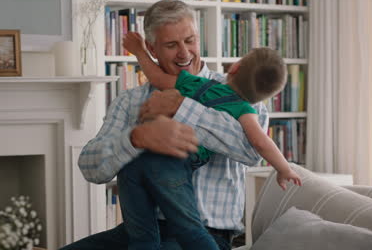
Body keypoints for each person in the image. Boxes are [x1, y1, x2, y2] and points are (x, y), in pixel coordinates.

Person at [61, 0, 269, 250]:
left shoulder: (237, 90)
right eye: (171, 45)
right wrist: (135, 138)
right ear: (151, 48)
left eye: (190, 40)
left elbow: (251, 151)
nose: (184, 53)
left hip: (205, 236)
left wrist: (182, 107)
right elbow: (90, 168)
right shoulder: (130, 101)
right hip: (138, 232)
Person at [120, 33, 302, 248]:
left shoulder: (200, 84)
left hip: (146, 156)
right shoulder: (245, 110)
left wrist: (140, 51)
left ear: (233, 68)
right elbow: (260, 143)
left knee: (134, 196)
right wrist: (284, 168)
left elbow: (156, 77)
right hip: (174, 165)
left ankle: (145, 243)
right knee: (189, 229)